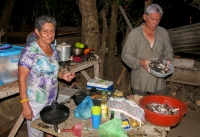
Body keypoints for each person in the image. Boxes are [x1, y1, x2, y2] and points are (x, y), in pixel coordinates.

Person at [18, 15, 75, 137]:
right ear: (37, 32)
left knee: (50, 130)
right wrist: (25, 104)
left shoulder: (53, 48)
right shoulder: (30, 51)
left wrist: (62, 75)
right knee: (36, 132)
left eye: (52, 31)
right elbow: (22, 79)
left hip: (51, 99)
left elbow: (54, 71)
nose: (49, 34)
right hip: (35, 101)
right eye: (45, 31)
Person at [121, 4, 173, 96]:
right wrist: (140, 62)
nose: (155, 22)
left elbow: (168, 51)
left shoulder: (163, 33)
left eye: (158, 19)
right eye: (152, 19)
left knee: (159, 106)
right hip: (140, 79)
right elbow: (125, 55)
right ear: (145, 17)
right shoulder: (135, 34)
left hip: (158, 80)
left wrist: (168, 59)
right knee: (141, 108)